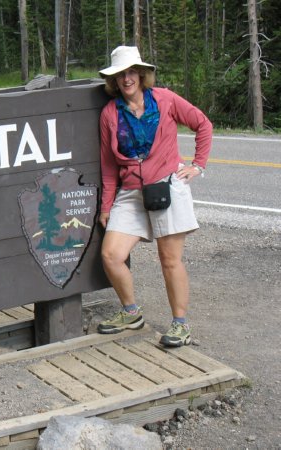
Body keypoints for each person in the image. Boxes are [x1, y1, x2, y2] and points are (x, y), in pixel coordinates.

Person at [96, 45, 212, 347]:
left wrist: (198, 165)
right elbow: (108, 165)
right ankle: (131, 313)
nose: (126, 79)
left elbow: (202, 124)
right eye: (120, 74)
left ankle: (180, 325)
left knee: (169, 259)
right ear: (114, 80)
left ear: (141, 74)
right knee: (111, 255)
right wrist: (106, 206)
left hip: (166, 186)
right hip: (131, 192)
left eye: (131, 72)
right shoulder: (110, 113)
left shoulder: (165, 99)